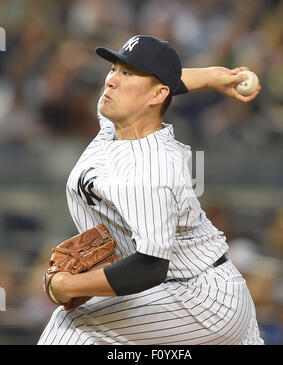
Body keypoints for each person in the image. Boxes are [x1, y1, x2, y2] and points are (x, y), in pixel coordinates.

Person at [38, 35, 263, 345]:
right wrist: (211, 77)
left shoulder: (153, 167)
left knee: (70, 327)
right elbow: (162, 84)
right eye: (114, 67)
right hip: (177, 290)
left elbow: (150, 267)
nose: (112, 79)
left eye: (127, 73)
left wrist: (69, 286)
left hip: (199, 299)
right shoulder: (115, 120)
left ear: (158, 95)